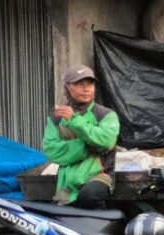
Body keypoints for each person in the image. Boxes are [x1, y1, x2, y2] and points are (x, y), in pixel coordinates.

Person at [43, 64, 119, 209]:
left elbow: (106, 141)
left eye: (90, 83)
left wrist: (74, 121)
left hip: (99, 176)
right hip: (67, 181)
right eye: (79, 84)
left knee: (89, 196)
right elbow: (52, 150)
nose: (86, 89)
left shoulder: (106, 115)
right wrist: (88, 146)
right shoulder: (56, 118)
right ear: (67, 87)